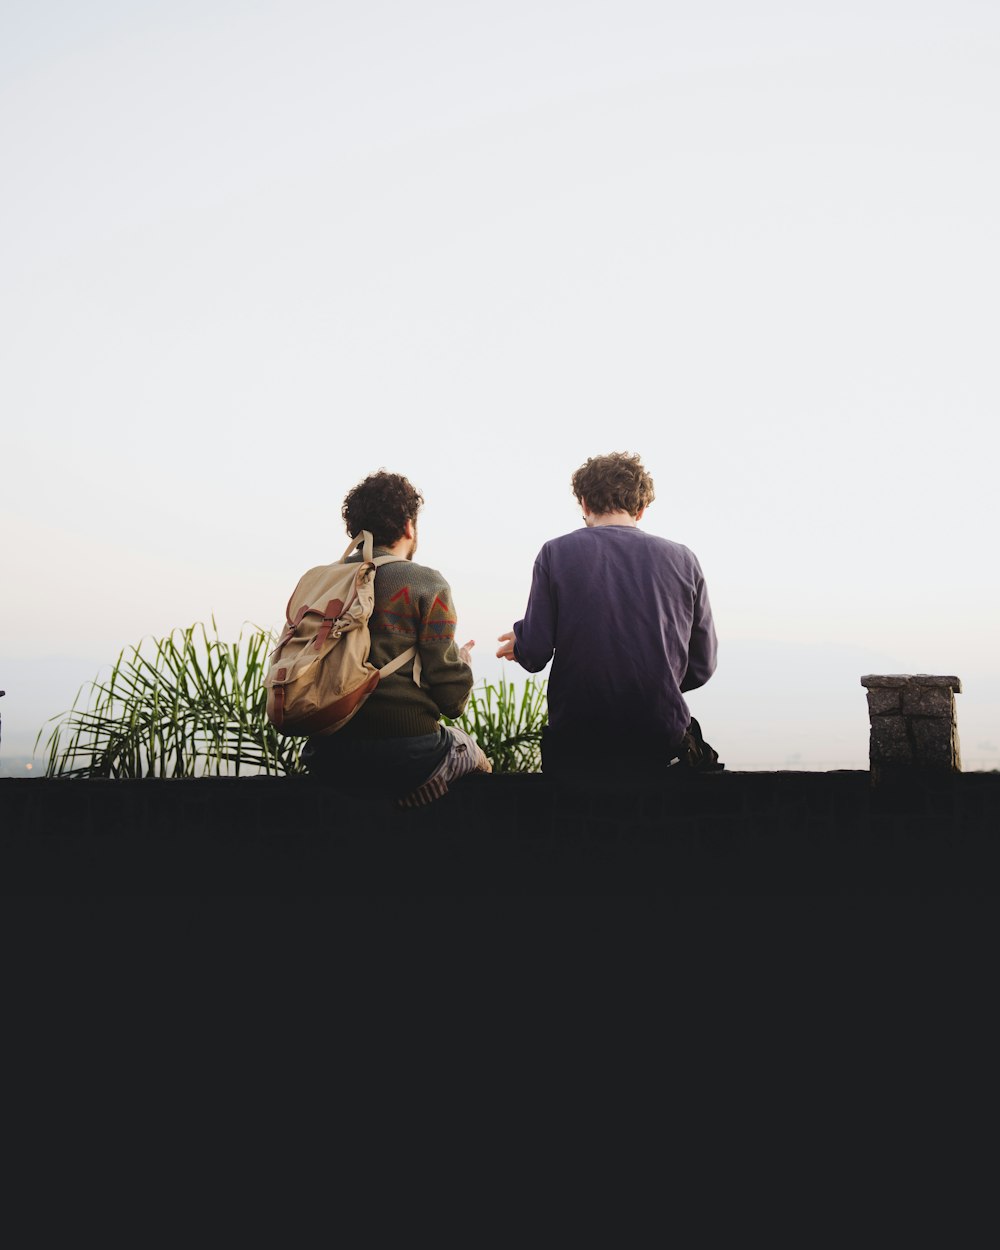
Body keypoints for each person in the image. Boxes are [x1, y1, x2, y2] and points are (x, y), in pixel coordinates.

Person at [497, 451, 720, 781]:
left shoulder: (555, 553)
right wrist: (654, 683)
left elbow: (536, 652)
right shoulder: (684, 560)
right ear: (641, 509)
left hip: (578, 746)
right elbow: (702, 666)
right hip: (658, 743)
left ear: (584, 503)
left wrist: (523, 641)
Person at [304, 470, 491, 806]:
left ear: (356, 531)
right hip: (409, 751)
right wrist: (461, 663)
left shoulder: (322, 582)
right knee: (473, 754)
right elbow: (451, 700)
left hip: (326, 754)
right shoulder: (425, 582)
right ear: (408, 526)